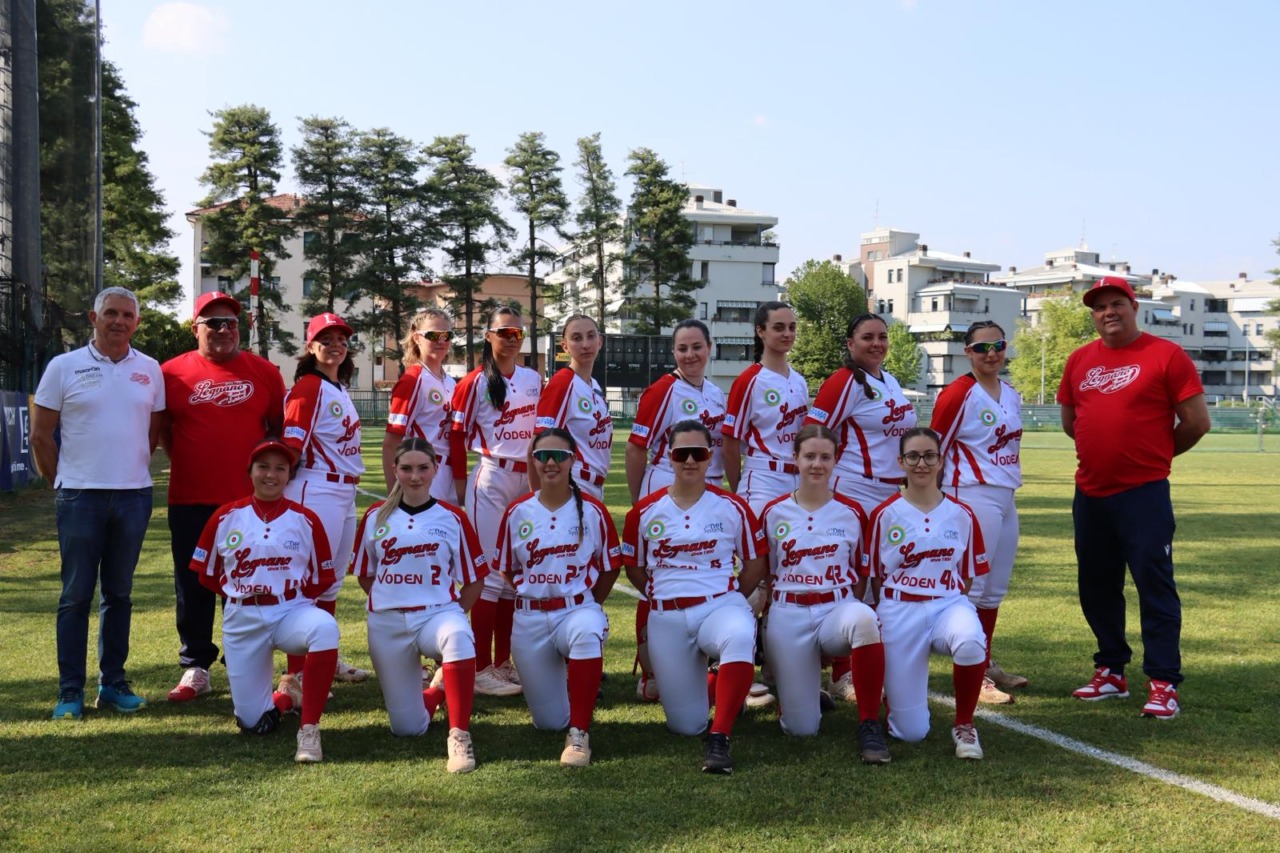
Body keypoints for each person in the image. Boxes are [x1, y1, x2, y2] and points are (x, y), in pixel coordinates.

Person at [1058, 276, 1210, 719]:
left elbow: (1197, 422)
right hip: (1090, 493)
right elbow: (1072, 421)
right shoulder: (1079, 360)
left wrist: (1155, 455)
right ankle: (1111, 671)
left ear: (1133, 306)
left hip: (1143, 494)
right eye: (1099, 306)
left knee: (1154, 585)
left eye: (1116, 303)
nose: (1108, 312)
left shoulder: (1167, 355)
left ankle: (1163, 681)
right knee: (1098, 586)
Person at [33, 286, 165, 720]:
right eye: (111, 313)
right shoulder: (63, 366)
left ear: (137, 323)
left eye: (127, 315)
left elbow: (152, 432)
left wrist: (129, 472)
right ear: (94, 317)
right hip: (79, 498)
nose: (119, 321)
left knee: (119, 594)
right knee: (74, 596)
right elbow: (40, 435)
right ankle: (70, 691)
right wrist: (64, 482)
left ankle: (113, 684)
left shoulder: (150, 369)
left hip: (133, 497)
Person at [160, 291, 286, 703]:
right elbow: (164, 432)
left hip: (246, 503)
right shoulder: (171, 373)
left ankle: (245, 659)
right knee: (193, 581)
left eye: (231, 322)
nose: (223, 329)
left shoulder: (264, 371)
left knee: (247, 581)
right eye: (212, 322)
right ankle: (196, 665)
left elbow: (276, 432)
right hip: (190, 496)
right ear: (195, 327)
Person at [622, 420, 767, 775]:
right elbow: (636, 570)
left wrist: (730, 598)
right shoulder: (644, 511)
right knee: (686, 725)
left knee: (738, 632)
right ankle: (722, 687)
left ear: (709, 456)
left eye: (698, 453)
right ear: (668, 458)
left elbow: (754, 564)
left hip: (718, 605)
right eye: (680, 453)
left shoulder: (732, 507)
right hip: (668, 617)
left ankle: (721, 736)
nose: (690, 460)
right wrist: (667, 595)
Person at [188, 438, 340, 762]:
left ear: (290, 475)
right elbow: (207, 575)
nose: (271, 475)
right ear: (250, 471)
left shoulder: (306, 519)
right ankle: (286, 698)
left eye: (280, 468)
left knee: (325, 628)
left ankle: (309, 728)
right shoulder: (225, 517)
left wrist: (289, 598)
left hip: (289, 610)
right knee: (253, 723)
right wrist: (244, 596)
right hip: (243, 616)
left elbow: (321, 579)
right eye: (264, 467)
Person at [353, 438, 486, 773]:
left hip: (436, 615)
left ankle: (459, 735)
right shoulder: (374, 516)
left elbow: (474, 581)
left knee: (457, 636)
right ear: (395, 470)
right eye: (406, 468)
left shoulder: (453, 517)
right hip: (388, 623)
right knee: (407, 728)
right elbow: (367, 576)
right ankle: (440, 689)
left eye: (423, 468)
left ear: (435, 469)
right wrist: (394, 598)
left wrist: (452, 613)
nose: (415, 476)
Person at [759, 425, 890, 763]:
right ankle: (801, 692)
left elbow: (860, 575)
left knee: (864, 618)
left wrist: (845, 601)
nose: (817, 464)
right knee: (800, 729)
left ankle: (869, 725)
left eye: (825, 457)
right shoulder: (774, 512)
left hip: (836, 608)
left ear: (836, 461)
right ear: (795, 459)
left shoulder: (852, 511)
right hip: (789, 612)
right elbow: (764, 570)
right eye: (810, 456)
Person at [805, 312, 917, 702]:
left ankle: (865, 661)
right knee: (847, 576)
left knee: (880, 578)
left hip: (889, 494)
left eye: (882, 337)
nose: (876, 344)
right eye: (867, 337)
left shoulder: (890, 381)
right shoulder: (844, 381)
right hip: (853, 488)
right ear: (850, 344)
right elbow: (815, 432)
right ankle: (836, 670)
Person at [497, 428, 621, 767]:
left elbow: (611, 567)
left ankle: (580, 732)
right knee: (548, 722)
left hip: (575, 610)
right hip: (530, 618)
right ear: (533, 461)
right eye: (542, 456)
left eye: (559, 455)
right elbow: (506, 568)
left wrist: (589, 603)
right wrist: (532, 592)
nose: (550, 462)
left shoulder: (592, 511)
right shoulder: (517, 512)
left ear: (573, 460)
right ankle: (573, 690)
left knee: (585, 629)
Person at [868, 428, 991, 760]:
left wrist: (940, 594)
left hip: (946, 604)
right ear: (901, 462)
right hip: (899, 608)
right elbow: (877, 578)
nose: (921, 464)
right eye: (913, 456)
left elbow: (965, 578)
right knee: (910, 733)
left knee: (970, 640)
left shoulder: (962, 514)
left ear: (941, 460)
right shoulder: (884, 514)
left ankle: (964, 723)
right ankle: (894, 694)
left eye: (929, 456)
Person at [625, 319, 726, 703]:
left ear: (709, 347)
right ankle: (650, 671)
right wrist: (641, 503)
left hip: (708, 489)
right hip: (666, 486)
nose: (690, 355)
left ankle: (701, 660)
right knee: (658, 582)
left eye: (697, 346)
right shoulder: (664, 390)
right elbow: (636, 448)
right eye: (682, 348)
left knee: (702, 575)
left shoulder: (716, 393)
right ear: (674, 353)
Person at [930, 320, 1025, 706]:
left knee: (995, 588)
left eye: (998, 345)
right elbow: (934, 448)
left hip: (1005, 494)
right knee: (972, 587)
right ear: (967, 352)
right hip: (969, 492)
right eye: (982, 347)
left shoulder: (1012, 393)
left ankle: (983, 662)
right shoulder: (959, 393)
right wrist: (935, 506)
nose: (992, 353)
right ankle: (969, 672)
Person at [450, 305, 541, 696]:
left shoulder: (534, 379)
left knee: (511, 578)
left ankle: (503, 662)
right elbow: (456, 435)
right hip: (492, 474)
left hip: (528, 477)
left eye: (517, 332)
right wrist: (457, 486)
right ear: (488, 336)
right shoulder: (473, 381)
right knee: (488, 574)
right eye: (504, 331)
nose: (511, 338)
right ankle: (480, 665)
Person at [281, 312, 370, 684]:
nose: (335, 345)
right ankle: (298, 672)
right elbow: (290, 445)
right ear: (310, 346)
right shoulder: (308, 388)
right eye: (326, 338)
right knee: (307, 581)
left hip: (343, 490)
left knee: (330, 581)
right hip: (315, 487)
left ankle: (324, 656)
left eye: (341, 339)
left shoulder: (339, 387)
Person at [722, 302, 808, 516]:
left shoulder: (799, 381)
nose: (787, 333)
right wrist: (738, 489)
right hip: (764, 480)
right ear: (761, 331)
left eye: (792, 327)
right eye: (778, 328)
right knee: (758, 549)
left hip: (800, 479)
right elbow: (730, 443)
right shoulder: (749, 380)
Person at [383, 308, 464, 505]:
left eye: (447, 335)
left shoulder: (451, 382)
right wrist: (394, 492)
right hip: (422, 472)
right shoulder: (413, 380)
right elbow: (390, 443)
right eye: (433, 335)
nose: (441, 341)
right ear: (417, 338)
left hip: (448, 472)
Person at [533, 315, 613, 501]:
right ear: (565, 346)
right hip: (572, 483)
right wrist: (537, 496)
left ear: (600, 342)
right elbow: (537, 444)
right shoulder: (562, 383)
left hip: (594, 485)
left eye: (591, 336)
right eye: (577, 338)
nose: (585, 344)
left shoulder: (594, 386)